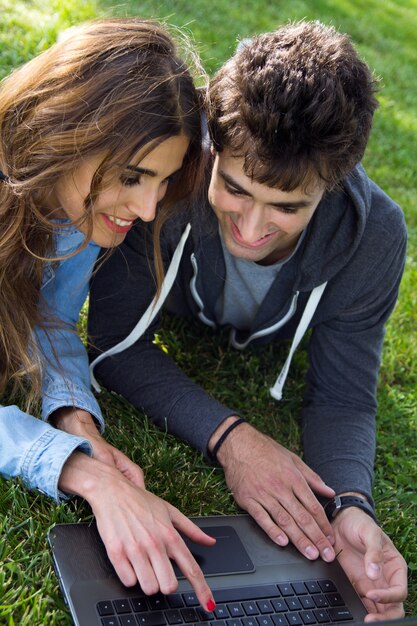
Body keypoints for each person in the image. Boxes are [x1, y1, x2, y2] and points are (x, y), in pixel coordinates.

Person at [88, 21, 408, 621]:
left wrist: (353, 506)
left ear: (332, 189)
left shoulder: (376, 236)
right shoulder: (167, 181)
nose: (251, 227)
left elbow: (343, 398)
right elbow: (113, 346)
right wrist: (233, 439)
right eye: (235, 189)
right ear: (214, 145)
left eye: (287, 207)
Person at [0, 18, 218, 610]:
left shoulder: (72, 209)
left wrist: (77, 422)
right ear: (65, 132)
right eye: (132, 178)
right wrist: (85, 476)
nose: (149, 210)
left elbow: (47, 322)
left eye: (164, 182)